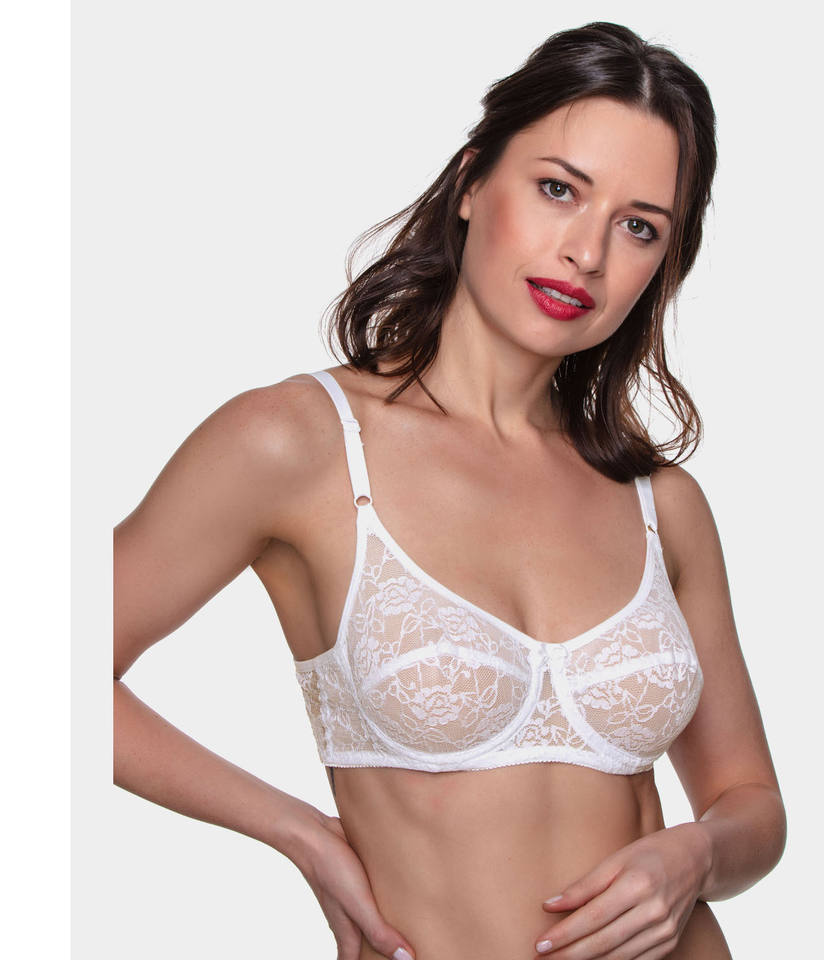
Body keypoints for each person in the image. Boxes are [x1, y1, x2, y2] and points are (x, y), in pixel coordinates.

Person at [114, 21, 786, 960]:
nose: (587, 253)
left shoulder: (659, 502)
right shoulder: (299, 444)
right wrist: (299, 832)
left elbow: (751, 804)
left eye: (639, 226)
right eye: (559, 189)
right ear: (472, 182)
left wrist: (696, 856)